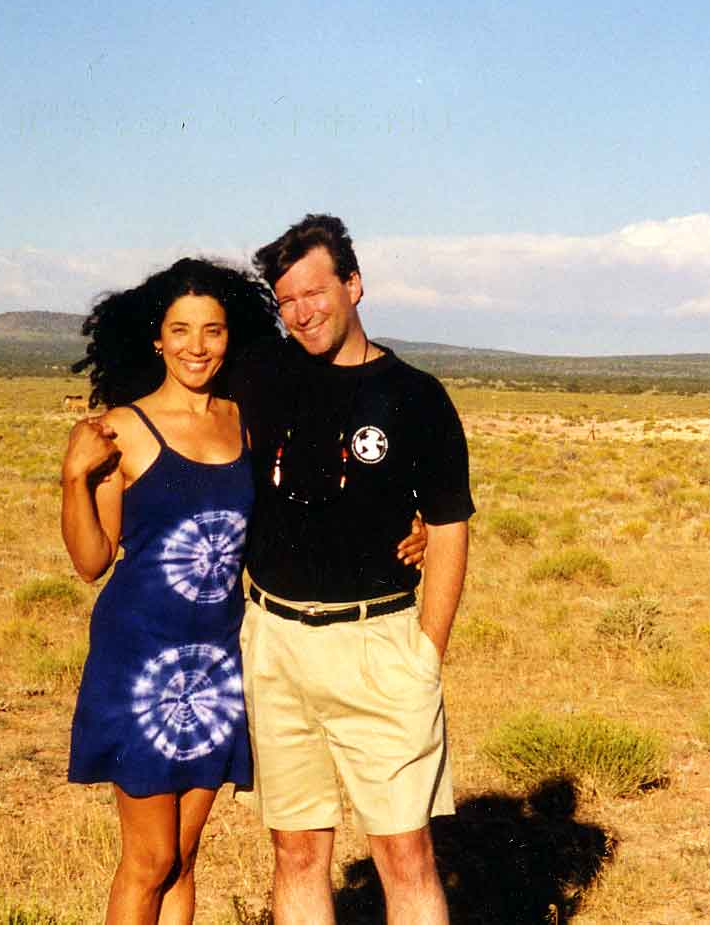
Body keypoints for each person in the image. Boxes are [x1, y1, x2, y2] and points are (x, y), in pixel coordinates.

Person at [58, 256, 426, 925]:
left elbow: (305, 505)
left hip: (220, 660)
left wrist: (405, 527)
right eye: (180, 330)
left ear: (232, 338)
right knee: (149, 860)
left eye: (212, 330)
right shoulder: (120, 430)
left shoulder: (244, 421)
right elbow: (91, 561)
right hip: (139, 659)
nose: (196, 346)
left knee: (184, 857)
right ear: (156, 339)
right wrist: (73, 480)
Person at [232, 214, 474, 925]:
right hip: (274, 643)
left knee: (405, 855)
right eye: (286, 300)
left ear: (354, 285)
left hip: (378, 646)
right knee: (296, 852)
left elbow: (449, 526)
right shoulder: (261, 374)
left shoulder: (415, 395)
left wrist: (427, 653)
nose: (302, 312)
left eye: (315, 292)